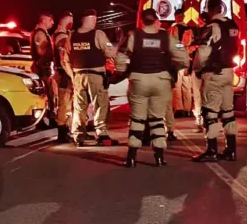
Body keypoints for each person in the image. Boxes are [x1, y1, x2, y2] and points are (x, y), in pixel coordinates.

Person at [116, 9, 189, 167]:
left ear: (142, 21)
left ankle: (132, 157)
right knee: (157, 119)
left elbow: (120, 58)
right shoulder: (166, 36)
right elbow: (183, 58)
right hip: (161, 80)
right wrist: (172, 68)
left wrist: (122, 71)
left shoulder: (133, 36)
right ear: (156, 20)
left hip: (139, 79)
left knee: (137, 119)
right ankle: (159, 157)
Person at [191, 0, 240, 162]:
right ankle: (231, 150)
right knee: (228, 112)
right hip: (229, 72)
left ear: (210, 9)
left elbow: (203, 52)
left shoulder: (212, 27)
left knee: (210, 112)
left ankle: (211, 150)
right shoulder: (232, 26)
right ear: (222, 8)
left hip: (213, 73)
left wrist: (196, 69)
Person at [63, 9, 118, 147]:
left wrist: (73, 75)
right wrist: (115, 43)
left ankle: (78, 134)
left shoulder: (72, 35)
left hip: (78, 76)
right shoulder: (98, 34)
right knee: (100, 105)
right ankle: (102, 133)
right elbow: (110, 51)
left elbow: (65, 59)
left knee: (79, 107)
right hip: (95, 76)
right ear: (92, 19)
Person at [167, 9, 194, 140]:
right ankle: (188, 109)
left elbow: (174, 44)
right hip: (187, 58)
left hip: (178, 59)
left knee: (177, 85)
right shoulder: (189, 28)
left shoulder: (174, 28)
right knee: (186, 85)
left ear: (176, 16)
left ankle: (178, 108)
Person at [52, 11, 74, 143]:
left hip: (61, 72)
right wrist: (69, 74)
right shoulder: (61, 37)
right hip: (64, 74)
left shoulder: (58, 34)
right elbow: (63, 58)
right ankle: (62, 132)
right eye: (71, 21)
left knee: (65, 103)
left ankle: (64, 131)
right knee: (65, 103)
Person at [30, 12, 57, 114]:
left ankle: (48, 116)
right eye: (50, 20)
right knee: (46, 94)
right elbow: (41, 52)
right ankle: (47, 116)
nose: (53, 22)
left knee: (47, 94)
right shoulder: (40, 33)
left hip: (42, 68)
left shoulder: (41, 32)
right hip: (42, 69)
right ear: (44, 20)